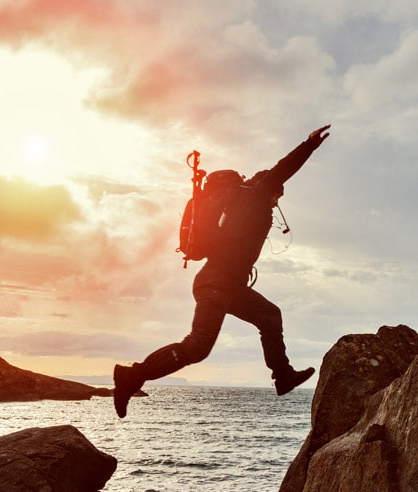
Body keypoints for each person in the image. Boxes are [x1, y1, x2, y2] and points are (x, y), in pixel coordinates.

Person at [112, 125, 331, 418]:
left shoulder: (241, 202)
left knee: (269, 315)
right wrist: (309, 145)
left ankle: (283, 377)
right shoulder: (255, 194)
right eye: (277, 193)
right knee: (198, 345)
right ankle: (132, 376)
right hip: (216, 284)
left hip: (228, 286)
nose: (277, 199)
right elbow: (281, 170)